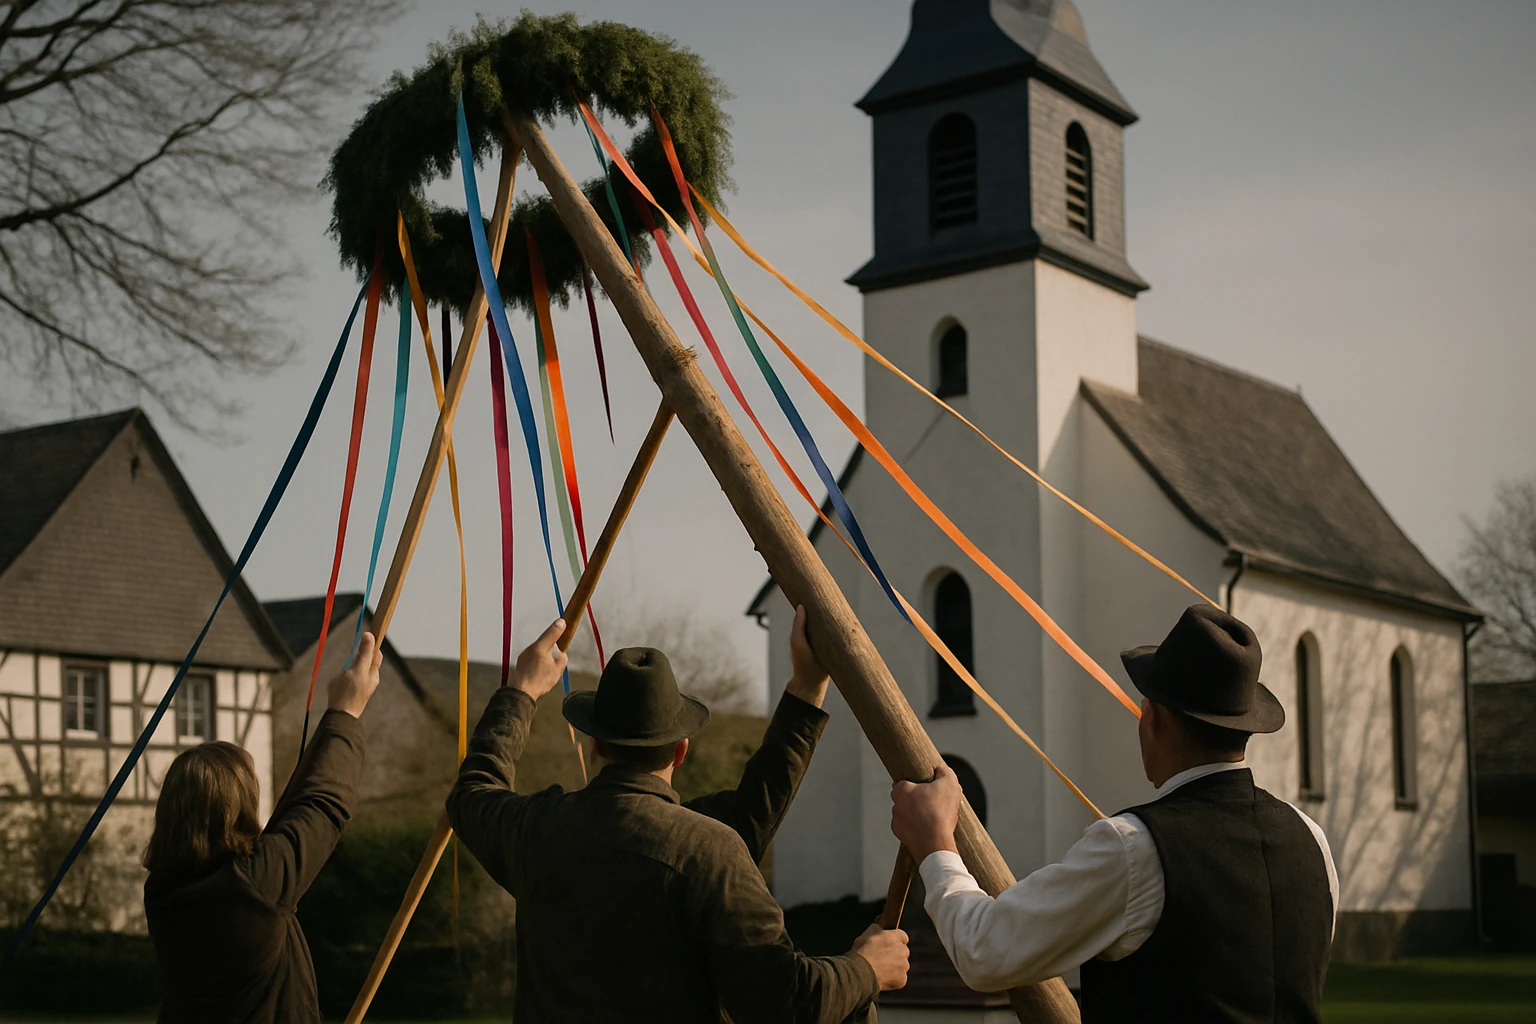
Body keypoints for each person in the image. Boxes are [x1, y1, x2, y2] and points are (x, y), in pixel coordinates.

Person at [448, 607, 909, 1023]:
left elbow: (472, 793)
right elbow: (786, 1004)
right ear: (682, 749)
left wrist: (521, 692)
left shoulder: (537, 831)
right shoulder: (709, 851)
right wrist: (866, 968)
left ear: (593, 744)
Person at [890, 604, 1339, 1024]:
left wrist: (935, 844)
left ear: (1154, 720)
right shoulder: (1312, 839)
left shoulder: (1133, 849)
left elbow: (983, 951)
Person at [143, 632, 383, 1023]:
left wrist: (337, 719)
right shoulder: (252, 884)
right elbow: (323, 805)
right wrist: (346, 713)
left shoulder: (162, 891)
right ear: (237, 809)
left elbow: (300, 809)